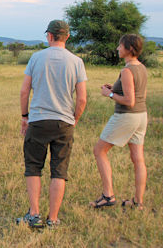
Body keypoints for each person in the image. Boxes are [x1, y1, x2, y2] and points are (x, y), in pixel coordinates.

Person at [17, 20, 87, 229]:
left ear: (49, 36)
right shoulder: (76, 62)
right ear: (67, 37)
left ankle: (34, 214)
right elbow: (82, 99)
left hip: (38, 120)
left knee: (33, 168)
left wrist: (24, 116)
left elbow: (24, 91)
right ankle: (53, 218)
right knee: (59, 170)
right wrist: (74, 119)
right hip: (64, 122)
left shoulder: (36, 57)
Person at [90, 34, 148, 210]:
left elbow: (129, 101)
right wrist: (114, 89)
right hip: (141, 115)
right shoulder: (141, 68)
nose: (117, 48)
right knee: (138, 158)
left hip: (126, 116)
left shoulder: (127, 70)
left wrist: (108, 94)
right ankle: (138, 201)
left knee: (99, 151)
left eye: (120, 46)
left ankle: (108, 195)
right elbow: (139, 96)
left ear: (129, 48)